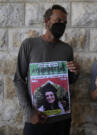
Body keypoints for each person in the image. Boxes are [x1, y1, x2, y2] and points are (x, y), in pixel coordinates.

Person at [13, 4, 80, 135]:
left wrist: (75, 72)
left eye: (65, 22)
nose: (62, 25)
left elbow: (69, 81)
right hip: (37, 117)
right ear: (46, 21)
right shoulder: (29, 45)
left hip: (62, 118)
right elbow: (18, 80)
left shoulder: (67, 49)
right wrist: (29, 112)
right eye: (58, 20)